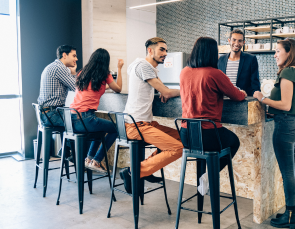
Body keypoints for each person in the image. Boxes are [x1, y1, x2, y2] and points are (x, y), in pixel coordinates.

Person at [253, 39, 295, 229]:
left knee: (289, 172)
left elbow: (285, 105)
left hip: (286, 125)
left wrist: (262, 98)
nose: (275, 54)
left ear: (289, 53)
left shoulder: (288, 72)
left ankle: (290, 214)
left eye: (278, 51)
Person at [180, 37, 247, 193]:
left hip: (186, 135)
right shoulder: (215, 73)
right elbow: (237, 96)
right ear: (211, 52)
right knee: (234, 142)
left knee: (212, 147)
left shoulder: (184, 72)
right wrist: (243, 92)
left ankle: (205, 179)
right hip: (209, 135)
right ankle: (208, 177)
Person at [118, 37, 183, 193]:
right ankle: (134, 172)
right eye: (161, 49)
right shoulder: (144, 65)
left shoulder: (141, 65)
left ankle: (145, 168)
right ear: (150, 50)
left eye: (166, 50)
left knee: (182, 137)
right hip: (135, 125)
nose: (165, 53)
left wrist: (165, 91)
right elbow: (166, 91)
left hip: (143, 123)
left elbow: (163, 89)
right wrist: (187, 90)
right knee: (178, 148)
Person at [69, 48, 124, 172]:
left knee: (99, 131)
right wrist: (120, 68)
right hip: (86, 119)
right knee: (116, 129)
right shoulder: (105, 74)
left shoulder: (81, 72)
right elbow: (119, 88)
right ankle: (97, 160)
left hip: (72, 119)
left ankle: (88, 160)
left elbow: (88, 89)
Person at [37, 45, 78, 127]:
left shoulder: (54, 66)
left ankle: (68, 140)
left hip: (47, 113)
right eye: (74, 56)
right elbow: (76, 88)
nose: (76, 59)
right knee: (82, 123)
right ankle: (69, 140)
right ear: (64, 55)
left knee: (80, 120)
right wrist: (73, 73)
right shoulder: (59, 68)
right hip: (52, 115)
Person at [217, 29, 260, 96]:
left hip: (243, 102)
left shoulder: (251, 59)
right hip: (224, 101)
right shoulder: (221, 59)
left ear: (243, 42)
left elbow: (255, 85)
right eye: (234, 40)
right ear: (229, 41)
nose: (236, 44)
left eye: (240, 41)